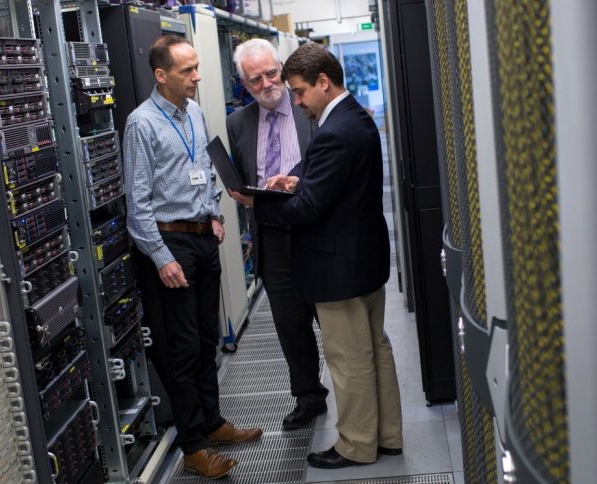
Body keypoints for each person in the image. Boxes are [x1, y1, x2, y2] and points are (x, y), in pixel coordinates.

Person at [229, 43, 403, 469]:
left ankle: (356, 444)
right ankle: (388, 435)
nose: (298, 100)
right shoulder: (356, 117)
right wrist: (298, 180)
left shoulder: (332, 131)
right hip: (361, 258)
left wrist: (259, 203)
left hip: (335, 264)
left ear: (323, 82)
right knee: (374, 348)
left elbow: (309, 208)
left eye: (301, 91)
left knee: (348, 359)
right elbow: (325, 184)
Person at [123, 35, 262, 480]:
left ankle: (214, 422)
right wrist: (162, 257)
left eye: (198, 67)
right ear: (161, 75)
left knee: (205, 339)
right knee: (180, 349)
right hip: (169, 246)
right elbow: (138, 204)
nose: (198, 77)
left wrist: (213, 214)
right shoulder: (141, 124)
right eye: (187, 71)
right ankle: (193, 445)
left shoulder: (196, 112)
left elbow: (201, 170)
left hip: (202, 238)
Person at [226, 38, 328, 430]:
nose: (267, 84)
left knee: (331, 321)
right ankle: (308, 397)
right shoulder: (239, 123)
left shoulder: (312, 110)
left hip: (315, 234)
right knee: (290, 325)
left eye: (272, 73)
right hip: (272, 239)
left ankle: (354, 396)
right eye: (256, 80)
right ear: (244, 85)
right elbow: (243, 176)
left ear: (281, 68)